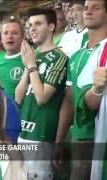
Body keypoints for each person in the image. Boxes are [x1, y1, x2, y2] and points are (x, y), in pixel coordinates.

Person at [56, 0, 107, 179]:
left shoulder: (105, 49)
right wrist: (59, 139)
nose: (88, 11)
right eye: (85, 8)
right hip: (77, 135)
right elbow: (69, 99)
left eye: (96, 7)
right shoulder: (76, 55)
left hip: (98, 135)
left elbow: (92, 101)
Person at [15, 8, 68, 179]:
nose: (32, 29)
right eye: (30, 25)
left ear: (51, 27)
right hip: (22, 133)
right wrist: (27, 67)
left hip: (41, 136)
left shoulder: (60, 57)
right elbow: (18, 97)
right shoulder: (33, 56)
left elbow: (42, 98)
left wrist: (31, 66)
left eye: (38, 24)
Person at [0, 17, 25, 99]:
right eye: (5, 33)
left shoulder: (29, 61)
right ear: (2, 39)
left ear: (22, 37)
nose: (10, 36)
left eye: (14, 33)